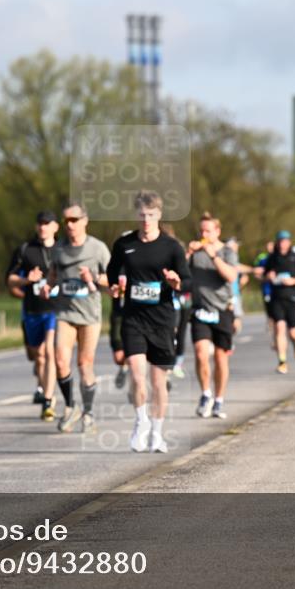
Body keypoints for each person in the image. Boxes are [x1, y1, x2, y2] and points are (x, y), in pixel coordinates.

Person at [107, 191, 191, 454]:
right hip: (133, 319)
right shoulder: (124, 245)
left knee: (158, 382)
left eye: (151, 215)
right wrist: (114, 287)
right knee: (136, 375)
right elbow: (112, 272)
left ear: (159, 215)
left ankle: (157, 432)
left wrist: (176, 283)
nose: (146, 220)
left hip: (163, 320)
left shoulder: (171, 247)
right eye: (142, 215)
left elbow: (187, 281)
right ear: (136, 215)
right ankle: (141, 421)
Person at [46, 202, 110, 435]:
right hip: (65, 311)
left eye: (74, 220)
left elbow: (110, 279)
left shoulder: (97, 248)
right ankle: (71, 406)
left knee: (84, 363)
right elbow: (53, 274)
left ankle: (89, 412)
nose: (70, 225)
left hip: (90, 314)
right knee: (61, 359)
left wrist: (92, 276)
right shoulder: (59, 248)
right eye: (66, 221)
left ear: (85, 221)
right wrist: (48, 286)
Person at [6, 211, 60, 421]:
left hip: (55, 310)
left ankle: (48, 400)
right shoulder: (26, 250)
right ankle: (42, 385)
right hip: (32, 311)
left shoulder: (63, 249)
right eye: (40, 223)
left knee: (48, 352)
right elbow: (10, 280)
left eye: (47, 223)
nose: (42, 227)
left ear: (56, 226)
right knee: (36, 355)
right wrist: (27, 280)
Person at [187, 213, 239, 419]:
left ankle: (219, 400)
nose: (204, 234)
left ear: (217, 232)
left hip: (222, 310)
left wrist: (213, 256)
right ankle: (205, 394)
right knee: (201, 353)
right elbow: (179, 272)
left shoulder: (226, 252)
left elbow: (231, 276)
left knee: (220, 357)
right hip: (201, 310)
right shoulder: (195, 253)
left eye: (208, 230)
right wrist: (188, 253)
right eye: (201, 231)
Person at [259, 230, 295, 374]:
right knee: (279, 328)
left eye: (285, 241)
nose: (282, 244)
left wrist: (293, 281)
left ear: (289, 242)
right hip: (276, 298)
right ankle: (282, 361)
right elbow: (264, 277)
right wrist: (268, 276)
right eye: (280, 241)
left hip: (292, 298)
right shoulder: (272, 258)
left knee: (292, 332)